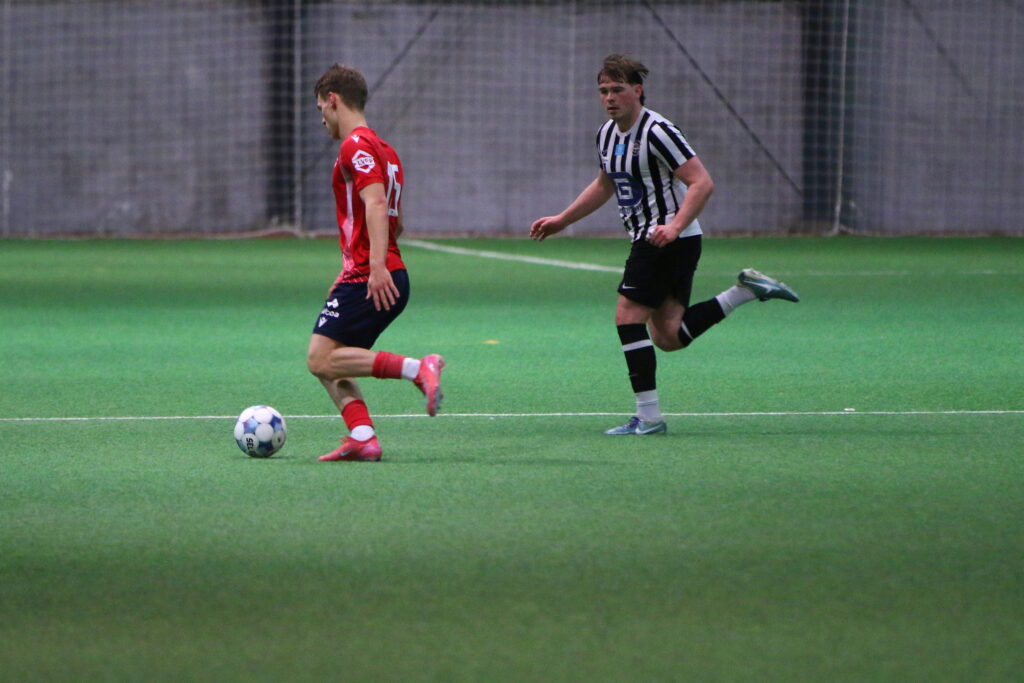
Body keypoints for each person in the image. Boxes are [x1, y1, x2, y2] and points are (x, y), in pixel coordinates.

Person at [529, 54, 798, 436]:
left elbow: (701, 182)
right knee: (669, 336)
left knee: (627, 317)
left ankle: (650, 418)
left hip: (664, 239)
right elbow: (605, 184)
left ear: (638, 90)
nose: (609, 97)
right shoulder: (606, 134)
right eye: (603, 90)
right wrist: (562, 219)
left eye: (618, 89)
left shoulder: (658, 131)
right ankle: (745, 291)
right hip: (667, 240)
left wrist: (673, 226)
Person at [306, 63, 443, 461]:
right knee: (332, 359)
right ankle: (363, 437)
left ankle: (418, 368)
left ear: (333, 100)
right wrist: (353, 265)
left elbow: (378, 204)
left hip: (374, 274)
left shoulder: (355, 145)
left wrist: (375, 266)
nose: (322, 118)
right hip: (374, 270)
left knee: (320, 358)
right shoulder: (386, 150)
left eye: (321, 108)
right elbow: (397, 220)